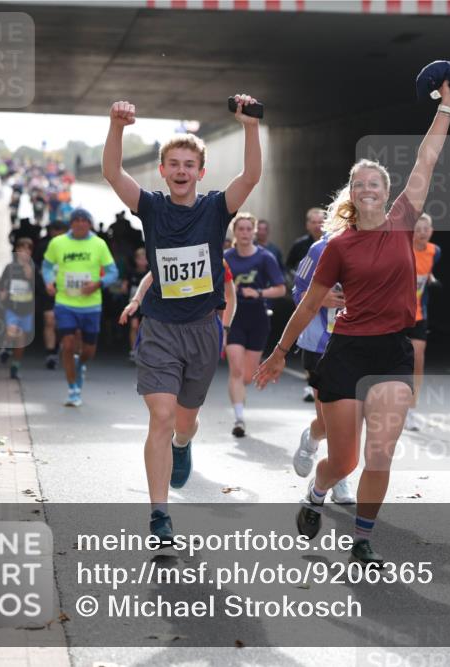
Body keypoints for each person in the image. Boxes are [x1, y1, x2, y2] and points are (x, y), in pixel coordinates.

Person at [255, 81, 450, 566]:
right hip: (344, 353)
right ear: (353, 194)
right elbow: (308, 306)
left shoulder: (403, 222)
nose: (370, 190)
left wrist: (447, 107)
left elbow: (426, 160)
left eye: (377, 184)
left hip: (391, 352)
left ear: (388, 194)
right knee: (343, 460)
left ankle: (362, 539)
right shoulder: (339, 246)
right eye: (361, 184)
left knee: (381, 455)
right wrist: (280, 351)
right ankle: (317, 491)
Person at [104, 95, 261, 544]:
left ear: (200, 172)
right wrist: (116, 126)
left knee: (184, 421)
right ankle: (159, 516)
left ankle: (183, 444)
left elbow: (251, 176)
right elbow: (113, 173)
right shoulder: (151, 207)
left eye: (188, 164)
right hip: (159, 329)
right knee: (161, 413)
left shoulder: (215, 209)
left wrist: (249, 126)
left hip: (202, 330)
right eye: (172, 163)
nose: (180, 170)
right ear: (162, 169)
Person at [290, 235, 356, 504]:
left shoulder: (377, 246)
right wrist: (322, 298)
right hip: (321, 346)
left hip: (358, 346)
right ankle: (313, 439)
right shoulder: (320, 249)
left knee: (348, 423)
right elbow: (297, 293)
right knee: (330, 423)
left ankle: (339, 476)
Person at [41, 207, 119, 407]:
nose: (80, 224)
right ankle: (73, 390)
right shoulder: (58, 243)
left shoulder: (99, 244)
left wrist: (98, 283)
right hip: (65, 302)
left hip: (91, 305)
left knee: (89, 350)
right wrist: (49, 281)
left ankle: (80, 363)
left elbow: (113, 272)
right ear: (71, 223)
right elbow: (47, 266)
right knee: (67, 343)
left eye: (84, 220)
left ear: (90, 224)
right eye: (76, 220)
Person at [224, 212, 286, 437]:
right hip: (234, 319)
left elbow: (281, 289)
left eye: (248, 229)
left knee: (248, 376)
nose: (245, 233)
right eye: (240, 229)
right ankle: (239, 418)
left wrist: (258, 292)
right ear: (234, 232)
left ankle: (241, 399)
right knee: (236, 370)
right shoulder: (226, 258)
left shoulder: (265, 257)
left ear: (255, 231)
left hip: (258, 318)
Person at [405, 213, 441, 431]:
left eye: (425, 229)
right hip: (396, 315)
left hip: (418, 314)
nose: (421, 233)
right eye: (417, 229)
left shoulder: (435, 252)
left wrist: (431, 279)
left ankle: (411, 409)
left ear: (431, 231)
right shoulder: (401, 250)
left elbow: (427, 271)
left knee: (417, 360)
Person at [0, 237, 36, 379]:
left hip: (26, 309)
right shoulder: (10, 267)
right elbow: (2, 282)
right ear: (17, 251)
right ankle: (6, 347)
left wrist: (30, 275)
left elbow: (37, 288)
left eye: (28, 249)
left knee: (21, 341)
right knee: (12, 330)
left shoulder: (33, 268)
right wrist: (2, 293)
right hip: (12, 307)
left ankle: (15, 365)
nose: (25, 251)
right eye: (22, 248)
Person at [34, 220, 68, 369]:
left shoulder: (70, 245)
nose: (57, 233)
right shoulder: (42, 245)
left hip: (66, 290)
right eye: (55, 230)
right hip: (47, 289)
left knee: (62, 323)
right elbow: (35, 265)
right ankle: (50, 353)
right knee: (49, 320)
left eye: (60, 230)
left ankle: (60, 347)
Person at [123, 248, 150, 362]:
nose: (142, 261)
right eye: (140, 259)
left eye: (145, 259)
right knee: (134, 326)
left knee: (146, 327)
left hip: (147, 305)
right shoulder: (130, 273)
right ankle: (134, 350)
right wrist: (124, 286)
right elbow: (124, 287)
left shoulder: (150, 273)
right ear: (135, 260)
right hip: (134, 304)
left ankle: (145, 350)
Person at [285, 207, 325, 274]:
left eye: (320, 222)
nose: (317, 226)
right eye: (313, 222)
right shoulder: (299, 245)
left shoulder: (331, 244)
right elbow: (288, 267)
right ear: (307, 225)